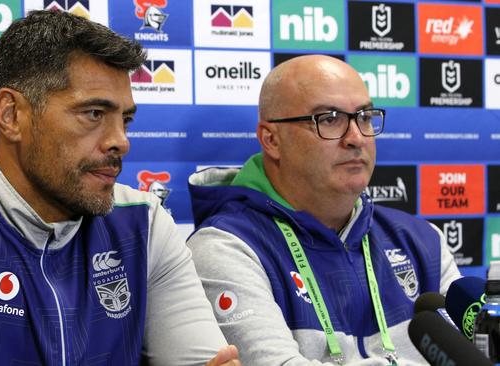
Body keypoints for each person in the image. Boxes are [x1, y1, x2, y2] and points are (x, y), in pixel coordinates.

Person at [0, 10, 240, 366]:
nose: (121, 141)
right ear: (12, 115)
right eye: (94, 114)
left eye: (125, 119)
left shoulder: (144, 222)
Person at [186, 55, 461, 365]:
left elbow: (470, 356)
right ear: (271, 139)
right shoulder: (226, 247)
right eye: (330, 118)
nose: (356, 137)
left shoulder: (422, 240)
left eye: (365, 116)